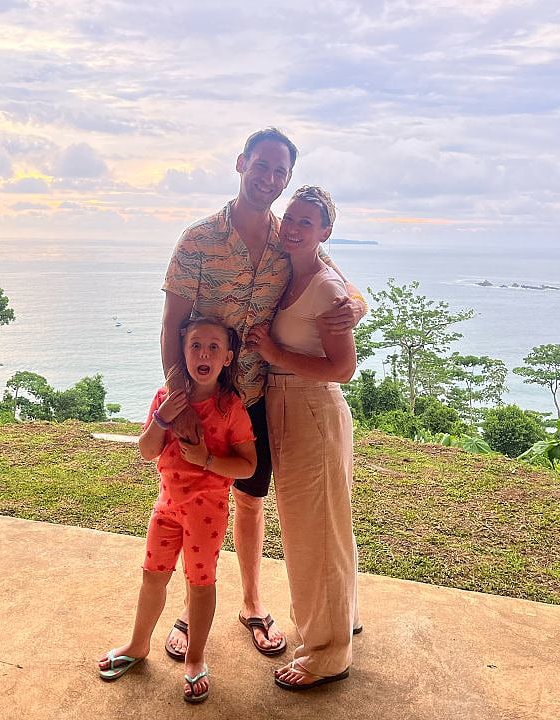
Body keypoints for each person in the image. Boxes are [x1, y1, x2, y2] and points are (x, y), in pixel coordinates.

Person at [161, 128, 366, 660]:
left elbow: (342, 285)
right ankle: (192, 607)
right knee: (196, 501)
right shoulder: (198, 239)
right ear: (241, 163)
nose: (269, 178)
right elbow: (172, 326)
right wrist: (181, 402)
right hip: (206, 397)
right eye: (262, 165)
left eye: (281, 171)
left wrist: (359, 306)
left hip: (256, 396)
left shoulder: (287, 238)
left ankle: (251, 603)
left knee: (251, 500)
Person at [98, 317, 256, 703]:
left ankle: (196, 657)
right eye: (195, 346)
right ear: (181, 353)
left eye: (213, 347)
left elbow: (248, 465)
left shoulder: (230, 407)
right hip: (166, 505)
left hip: (207, 511)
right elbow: (147, 450)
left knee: (200, 584)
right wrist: (162, 417)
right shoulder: (166, 398)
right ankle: (138, 645)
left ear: (227, 357)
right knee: (152, 576)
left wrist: (206, 460)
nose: (203, 353)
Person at [247, 186, 359, 690]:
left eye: (306, 223)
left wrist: (273, 353)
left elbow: (343, 367)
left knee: (314, 532)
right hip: (287, 404)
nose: (293, 228)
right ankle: (340, 620)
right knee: (324, 526)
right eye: (290, 218)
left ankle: (327, 652)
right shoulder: (294, 268)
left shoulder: (324, 287)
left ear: (324, 233)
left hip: (311, 406)